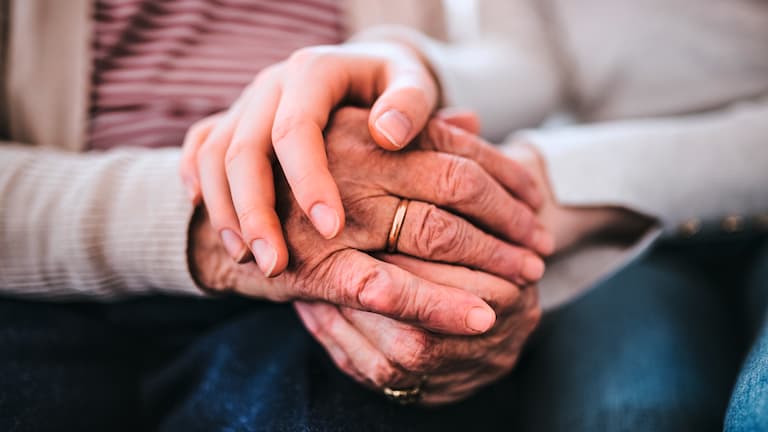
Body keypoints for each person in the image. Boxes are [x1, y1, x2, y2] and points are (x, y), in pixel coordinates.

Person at [1, 0, 767, 431]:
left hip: (333, 265)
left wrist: (418, 76)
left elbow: (510, 61)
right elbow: (520, 58)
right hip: (52, 277)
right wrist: (211, 223)